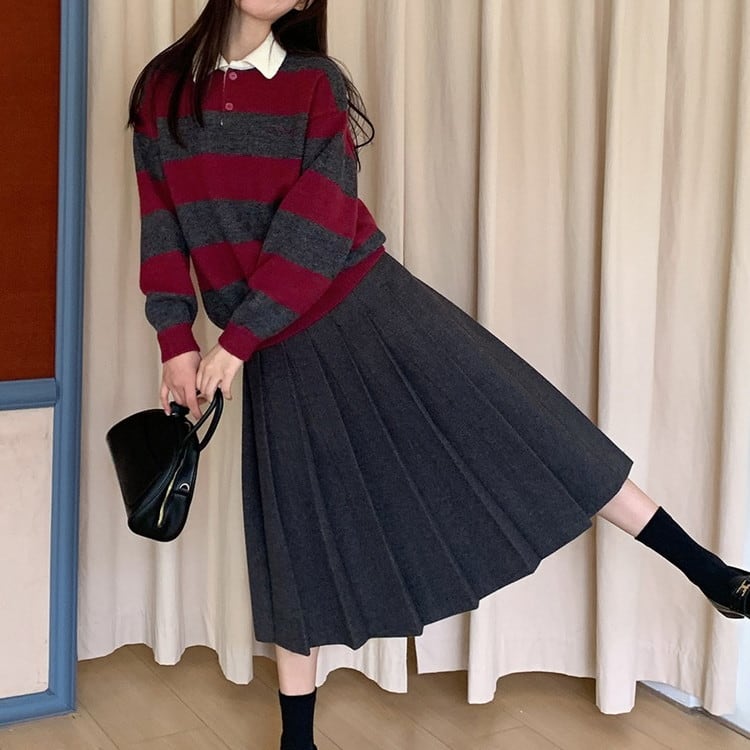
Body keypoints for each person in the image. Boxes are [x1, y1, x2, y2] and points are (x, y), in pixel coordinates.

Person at [127, 1, 750, 748]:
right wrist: (176, 341)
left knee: (529, 428)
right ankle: (298, 741)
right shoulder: (162, 89)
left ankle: (711, 572)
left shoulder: (314, 83)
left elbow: (321, 220)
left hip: (368, 309)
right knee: (299, 543)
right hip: (277, 356)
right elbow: (161, 226)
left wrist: (234, 340)